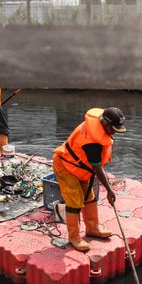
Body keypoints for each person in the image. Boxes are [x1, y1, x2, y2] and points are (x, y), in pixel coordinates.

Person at [53, 107, 126, 251]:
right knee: (74, 201)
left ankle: (92, 228)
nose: (113, 133)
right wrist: (110, 190)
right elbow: (97, 169)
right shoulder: (92, 144)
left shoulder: (99, 127)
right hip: (65, 166)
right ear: (104, 124)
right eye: (113, 129)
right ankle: (74, 237)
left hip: (79, 167)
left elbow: (96, 166)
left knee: (89, 198)